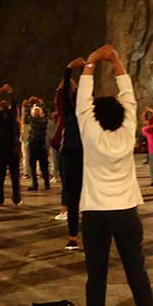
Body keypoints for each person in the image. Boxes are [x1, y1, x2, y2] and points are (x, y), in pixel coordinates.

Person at [72, 45, 153, 306]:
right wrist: (116, 61)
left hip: (95, 211)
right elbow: (130, 99)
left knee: (96, 275)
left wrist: (91, 63)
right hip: (125, 210)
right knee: (137, 271)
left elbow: (82, 101)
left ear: (94, 114)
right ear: (123, 115)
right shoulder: (129, 130)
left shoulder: (89, 130)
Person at [56, 58, 86, 250]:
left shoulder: (83, 111)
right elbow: (67, 88)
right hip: (78, 154)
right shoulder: (76, 111)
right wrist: (73, 70)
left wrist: (72, 69)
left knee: (76, 196)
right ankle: (75, 236)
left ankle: (74, 236)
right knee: (78, 196)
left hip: (74, 154)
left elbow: (77, 88)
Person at [0, 85, 22, 206]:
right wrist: (10, 93)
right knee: (15, 176)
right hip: (13, 149)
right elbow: (15, 106)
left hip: (1, 150)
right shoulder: (12, 118)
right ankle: (16, 198)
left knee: (0, 177)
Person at [27, 102, 51, 192]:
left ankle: (35, 184)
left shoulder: (32, 121)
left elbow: (27, 113)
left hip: (33, 144)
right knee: (44, 166)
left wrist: (30, 104)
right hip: (42, 145)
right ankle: (47, 183)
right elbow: (47, 112)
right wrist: (41, 103)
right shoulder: (44, 121)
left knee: (33, 166)